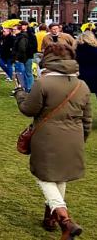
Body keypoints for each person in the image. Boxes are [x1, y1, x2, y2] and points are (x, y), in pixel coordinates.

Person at [15, 43, 91, 238]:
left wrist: (20, 94)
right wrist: (82, 138)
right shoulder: (82, 85)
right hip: (73, 135)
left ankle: (64, 220)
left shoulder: (43, 83)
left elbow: (28, 109)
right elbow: (87, 118)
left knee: (45, 177)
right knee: (60, 176)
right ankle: (51, 218)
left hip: (47, 136)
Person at [14, 22, 37, 93]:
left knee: (25, 72)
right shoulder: (27, 34)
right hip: (27, 55)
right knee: (26, 72)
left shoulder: (27, 35)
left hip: (25, 56)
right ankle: (29, 88)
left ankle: (28, 87)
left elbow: (31, 46)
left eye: (22, 25)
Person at [76, 30, 97, 100]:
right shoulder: (95, 50)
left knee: (81, 97)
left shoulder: (76, 50)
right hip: (95, 75)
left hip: (81, 75)